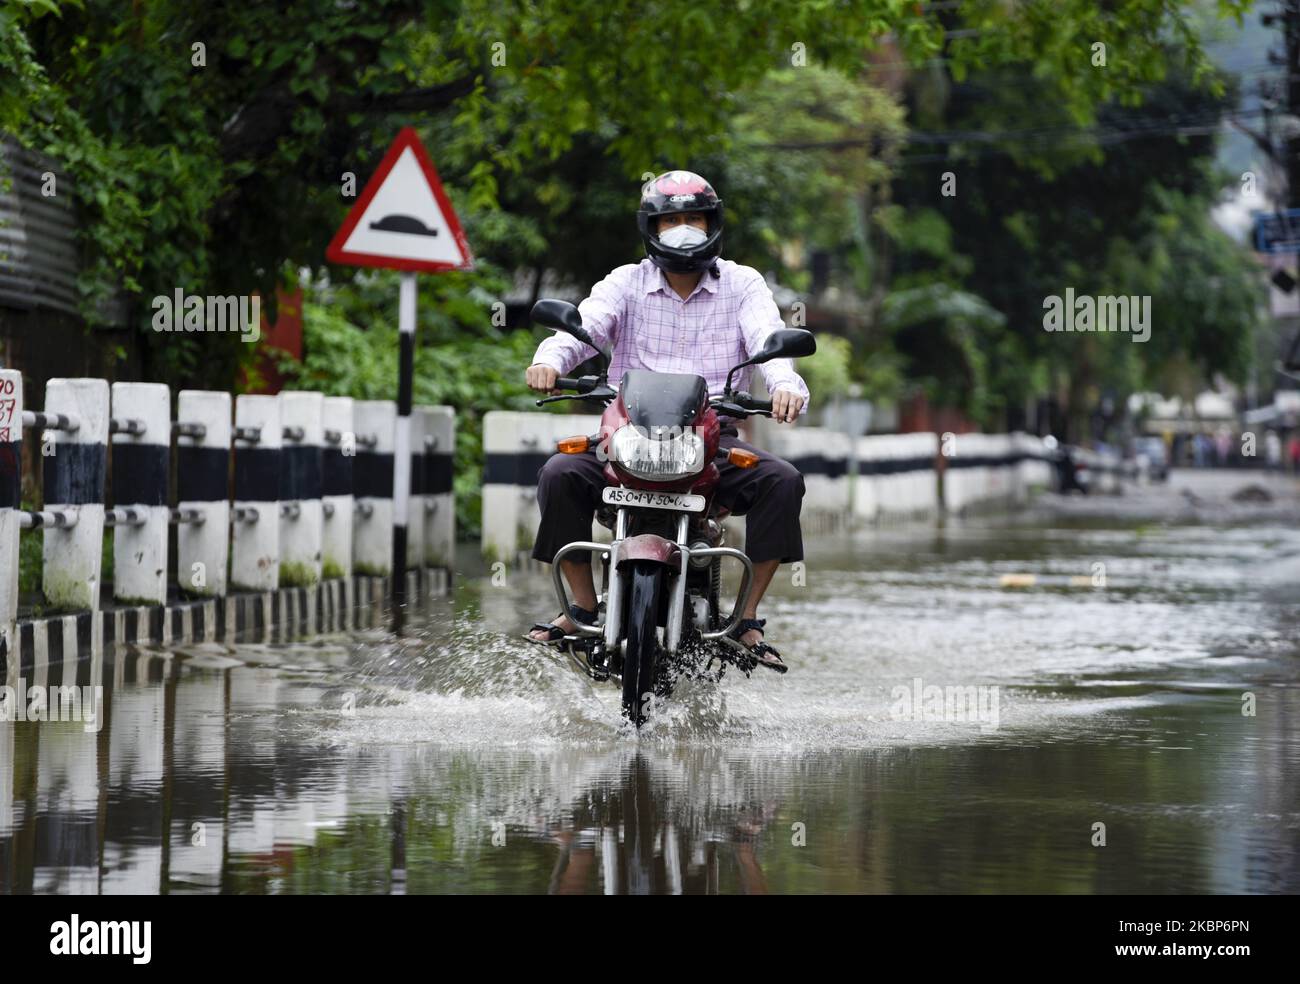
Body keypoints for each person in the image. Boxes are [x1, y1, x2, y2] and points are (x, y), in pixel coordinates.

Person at [522, 170, 810, 671]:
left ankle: (747, 618)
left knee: (782, 482)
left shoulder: (743, 284)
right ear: (650, 228)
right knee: (559, 473)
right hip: (626, 439)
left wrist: (784, 385)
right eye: (670, 219)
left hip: (711, 443)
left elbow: (769, 340)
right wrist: (550, 360)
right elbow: (583, 328)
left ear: (711, 224)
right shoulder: (624, 282)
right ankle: (582, 607)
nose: (682, 229)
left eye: (692, 219)